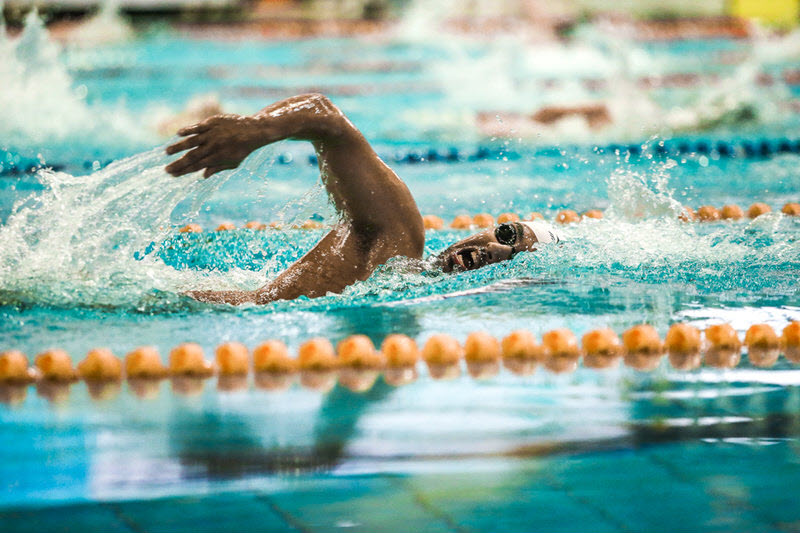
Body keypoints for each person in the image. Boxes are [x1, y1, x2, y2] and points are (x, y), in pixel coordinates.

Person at [166, 93, 560, 305]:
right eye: (507, 235)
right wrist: (255, 131)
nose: (497, 251)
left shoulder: (403, 288)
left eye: (515, 258)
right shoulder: (399, 239)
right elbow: (324, 115)